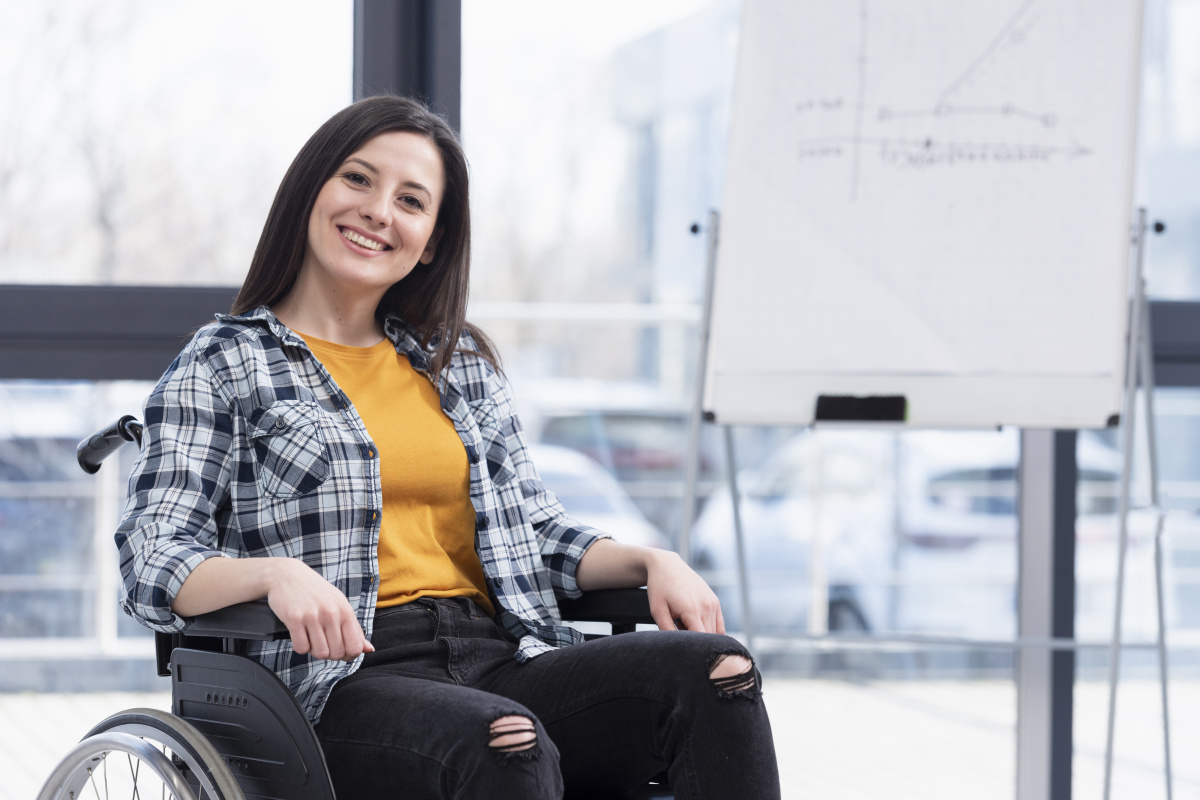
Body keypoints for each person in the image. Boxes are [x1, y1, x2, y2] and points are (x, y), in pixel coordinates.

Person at [115, 95, 781, 799]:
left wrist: (653, 560)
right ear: (312, 189)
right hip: (337, 683)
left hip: (501, 656)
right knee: (503, 741)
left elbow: (537, 532)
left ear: (430, 239)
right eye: (358, 180)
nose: (379, 210)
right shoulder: (226, 361)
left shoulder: (457, 365)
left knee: (719, 673)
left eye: (411, 200)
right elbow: (152, 555)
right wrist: (271, 575)